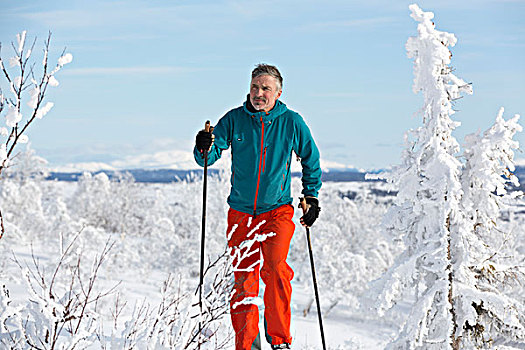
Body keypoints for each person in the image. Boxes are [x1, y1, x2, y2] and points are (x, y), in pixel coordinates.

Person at [193, 64, 322, 350]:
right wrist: (203, 145)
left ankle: (279, 341)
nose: (258, 93)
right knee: (244, 280)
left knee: (276, 270)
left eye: (265, 88)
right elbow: (208, 157)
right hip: (240, 213)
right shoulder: (234, 119)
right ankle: (247, 345)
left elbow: (311, 159)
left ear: (278, 92)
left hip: (277, 211)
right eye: (255, 87)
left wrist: (310, 197)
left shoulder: (292, 122)